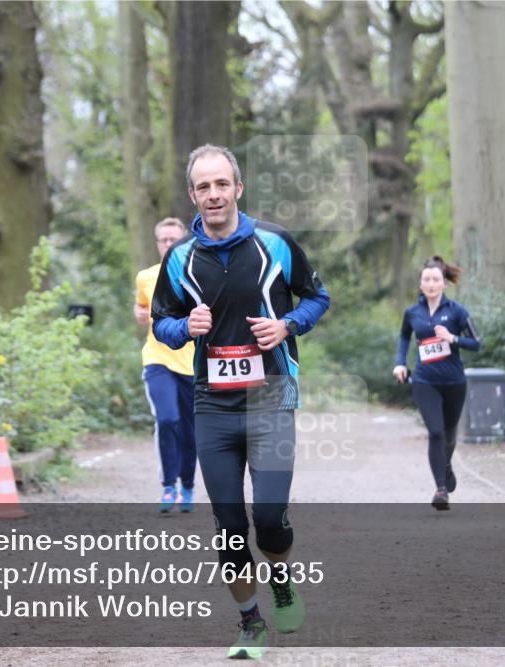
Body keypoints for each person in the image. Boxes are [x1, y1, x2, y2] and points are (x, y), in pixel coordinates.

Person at [152, 144, 330, 659]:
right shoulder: (181, 258)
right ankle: (250, 622)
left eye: (221, 184)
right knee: (229, 526)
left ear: (238, 188)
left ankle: (281, 577)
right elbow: (162, 321)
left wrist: (288, 324)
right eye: (203, 187)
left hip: (272, 396)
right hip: (211, 403)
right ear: (193, 195)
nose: (213, 194)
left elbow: (317, 297)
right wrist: (185, 327)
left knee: (270, 518)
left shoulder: (276, 244)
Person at [393, 255, 480, 511]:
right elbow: (403, 338)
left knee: (450, 435)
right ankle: (441, 489)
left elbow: (476, 343)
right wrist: (400, 362)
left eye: (435, 279)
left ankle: (447, 464)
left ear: (444, 284)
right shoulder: (412, 313)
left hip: (454, 381)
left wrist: (453, 338)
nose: (431, 284)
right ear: (420, 284)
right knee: (435, 432)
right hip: (424, 380)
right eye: (426, 280)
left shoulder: (457, 312)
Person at [134, 218, 197, 513]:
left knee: (189, 428)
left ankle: (188, 485)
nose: (169, 245)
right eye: (164, 240)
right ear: (157, 243)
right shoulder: (146, 277)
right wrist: (139, 312)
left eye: (174, 240)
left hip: (193, 363)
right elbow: (143, 306)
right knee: (168, 419)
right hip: (158, 359)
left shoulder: (199, 274)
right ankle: (169, 485)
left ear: (185, 240)